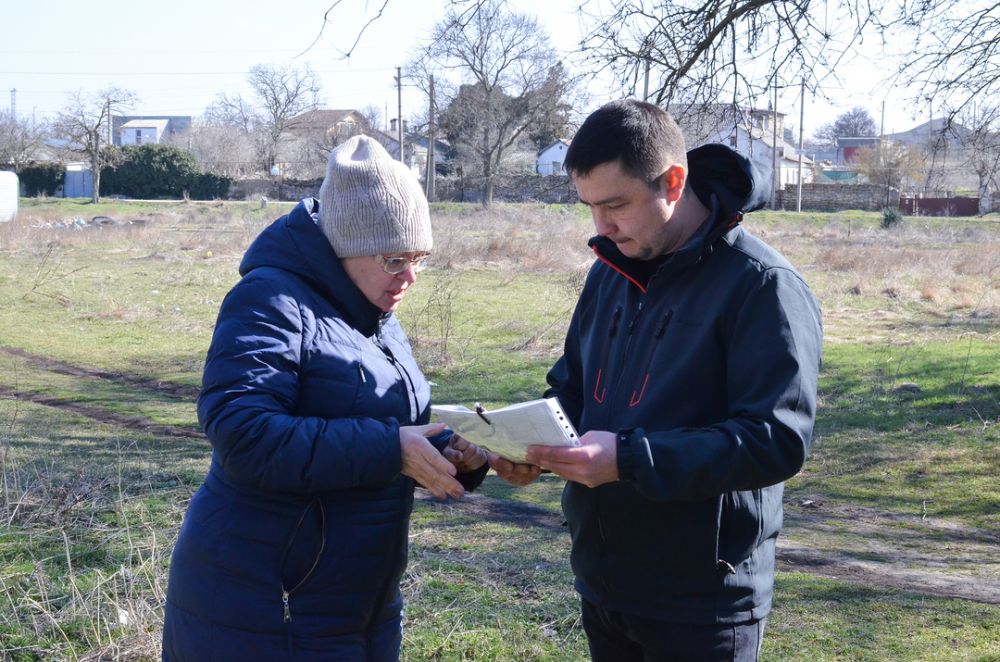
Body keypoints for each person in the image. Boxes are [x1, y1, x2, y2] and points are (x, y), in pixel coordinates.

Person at [489, 100, 823, 661]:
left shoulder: (762, 286)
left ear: (673, 180)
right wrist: (531, 445)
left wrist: (628, 459)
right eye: (590, 207)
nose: (601, 226)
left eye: (616, 204)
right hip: (603, 581)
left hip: (702, 602)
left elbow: (777, 441)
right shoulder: (610, 270)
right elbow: (571, 392)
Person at [162, 135, 488, 661]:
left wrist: (448, 451)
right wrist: (391, 450)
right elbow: (242, 434)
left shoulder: (372, 309)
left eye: (419, 259)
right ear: (342, 246)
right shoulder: (271, 298)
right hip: (263, 606)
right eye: (394, 259)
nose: (409, 277)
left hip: (354, 604)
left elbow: (378, 417)